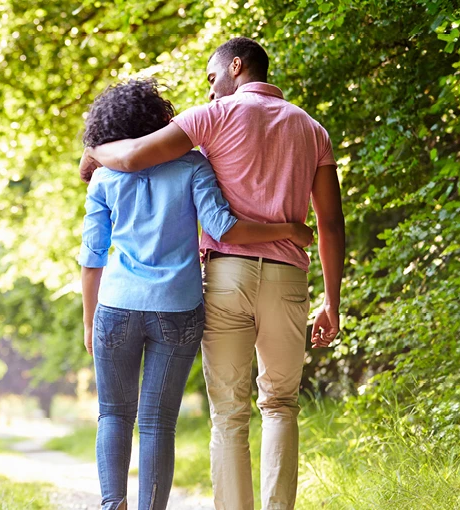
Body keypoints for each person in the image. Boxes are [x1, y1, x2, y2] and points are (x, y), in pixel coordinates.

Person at [79, 37, 347, 510]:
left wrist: (94, 152)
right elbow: (329, 223)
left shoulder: (213, 118)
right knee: (281, 405)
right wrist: (332, 301)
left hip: (222, 277)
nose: (208, 92)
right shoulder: (312, 129)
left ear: (236, 68)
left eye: (211, 79)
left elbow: (137, 157)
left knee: (227, 414)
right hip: (285, 279)